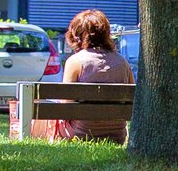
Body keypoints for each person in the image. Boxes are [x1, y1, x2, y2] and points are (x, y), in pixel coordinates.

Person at [34, 9, 134, 143]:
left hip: (80, 134)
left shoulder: (75, 61)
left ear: (76, 35)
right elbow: (132, 99)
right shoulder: (123, 62)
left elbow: (66, 106)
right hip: (116, 135)